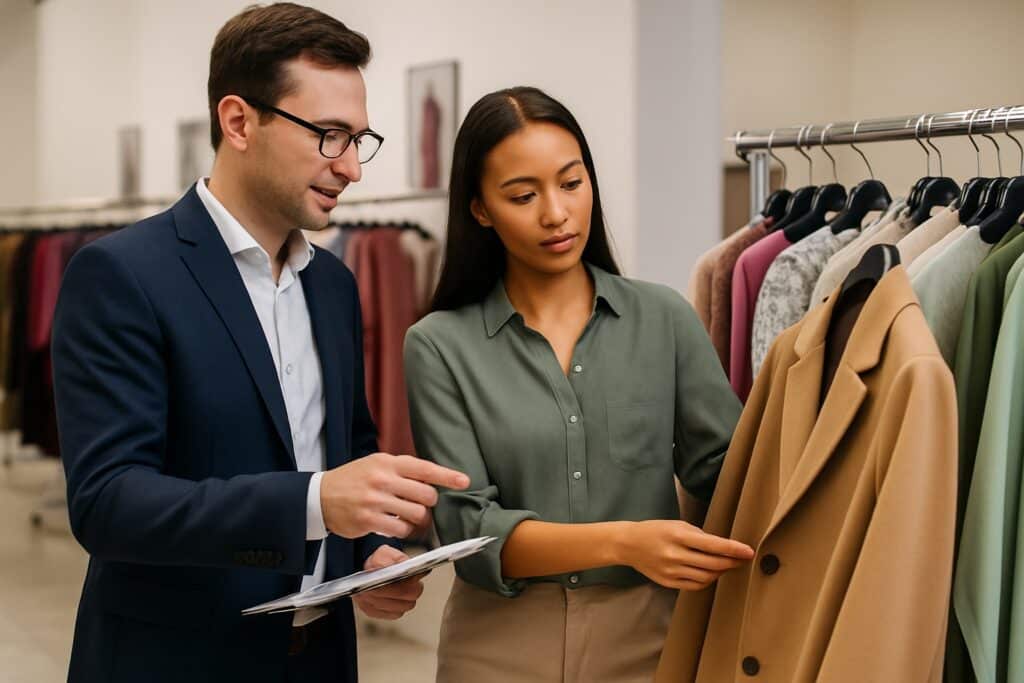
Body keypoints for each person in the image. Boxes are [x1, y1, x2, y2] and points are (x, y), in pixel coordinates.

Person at [51, 4, 467, 682]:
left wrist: (373, 552)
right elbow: (109, 501)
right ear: (239, 121)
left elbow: (345, 448)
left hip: (320, 658)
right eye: (330, 136)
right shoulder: (123, 273)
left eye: (360, 140)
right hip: (174, 662)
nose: (352, 169)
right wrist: (312, 502)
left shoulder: (332, 283)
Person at [404, 86, 755, 682]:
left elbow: (728, 471)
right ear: (480, 209)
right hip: (496, 648)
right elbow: (470, 532)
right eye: (523, 195)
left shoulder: (664, 318)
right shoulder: (438, 345)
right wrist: (625, 542)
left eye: (571, 183)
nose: (556, 213)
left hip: (652, 642)